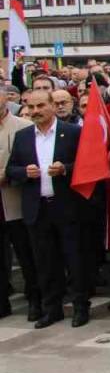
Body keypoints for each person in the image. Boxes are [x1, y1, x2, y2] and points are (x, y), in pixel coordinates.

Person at [5, 90, 86, 328]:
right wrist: (24, 172)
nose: (35, 111)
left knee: (74, 259)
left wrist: (65, 169)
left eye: (40, 106)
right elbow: (11, 169)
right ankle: (52, 309)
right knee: (45, 262)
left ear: (52, 105)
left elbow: (86, 165)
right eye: (31, 107)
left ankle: (81, 306)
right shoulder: (23, 136)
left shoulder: (72, 132)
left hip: (66, 206)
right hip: (37, 208)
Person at [0, 96, 37, 321]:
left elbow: (28, 161)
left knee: (26, 254)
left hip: (16, 201)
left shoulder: (23, 127)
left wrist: (7, 174)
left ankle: (35, 298)